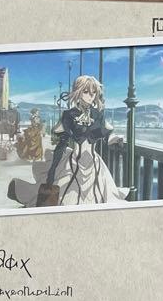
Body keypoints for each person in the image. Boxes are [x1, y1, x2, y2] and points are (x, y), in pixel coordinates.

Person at [39, 76, 127, 207]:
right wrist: (52, 170)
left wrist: (117, 139)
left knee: (99, 195)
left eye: (93, 92)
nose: (90, 96)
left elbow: (106, 134)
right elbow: (59, 135)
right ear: (78, 92)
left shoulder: (98, 114)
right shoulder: (69, 114)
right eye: (86, 92)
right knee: (68, 196)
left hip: (93, 162)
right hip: (74, 161)